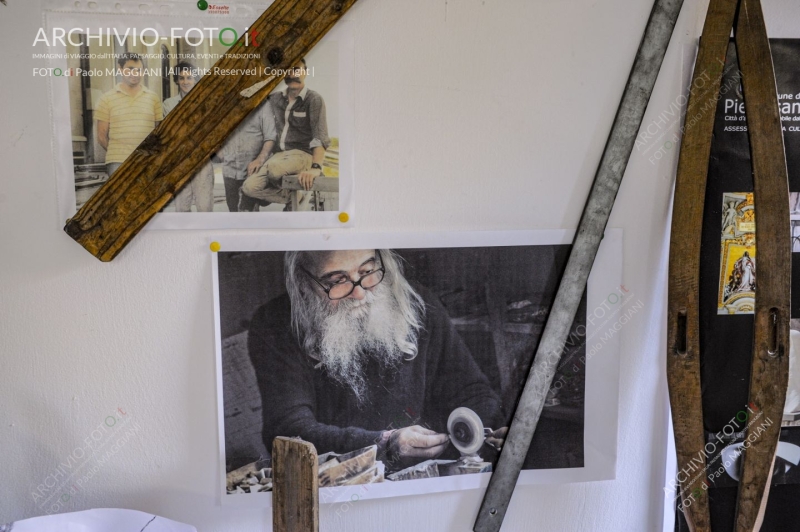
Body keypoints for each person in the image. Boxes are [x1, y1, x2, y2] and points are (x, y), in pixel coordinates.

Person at [247, 249, 507, 470]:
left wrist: (484, 426)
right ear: (303, 282)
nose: (359, 294)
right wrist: (383, 444)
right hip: (340, 484)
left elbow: (472, 392)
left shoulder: (417, 303)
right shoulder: (274, 325)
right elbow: (288, 433)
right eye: (337, 281)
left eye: (367, 271)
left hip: (424, 474)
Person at [241, 59, 330, 210]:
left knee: (275, 170)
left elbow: (320, 137)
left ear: (305, 72)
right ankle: (294, 196)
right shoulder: (274, 99)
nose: (292, 74)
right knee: (248, 187)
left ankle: (283, 190)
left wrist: (315, 168)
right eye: (287, 70)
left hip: (302, 155)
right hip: (279, 156)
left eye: (296, 69)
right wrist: (259, 159)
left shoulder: (313, 99)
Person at [95, 53, 162, 177]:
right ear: (120, 69)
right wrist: (118, 152)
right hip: (117, 162)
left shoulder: (153, 98)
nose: (135, 74)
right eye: (130, 69)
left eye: (138, 70)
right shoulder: (106, 98)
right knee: (119, 196)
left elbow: (158, 132)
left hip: (147, 160)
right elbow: (101, 136)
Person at [162, 62, 214, 212]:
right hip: (179, 161)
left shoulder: (206, 102)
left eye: (189, 77)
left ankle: (206, 236)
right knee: (182, 207)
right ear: (177, 80)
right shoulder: (169, 104)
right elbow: (170, 133)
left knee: (205, 206)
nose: (185, 82)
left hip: (202, 160)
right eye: (182, 78)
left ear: (195, 78)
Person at [213, 98, 277, 212]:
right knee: (233, 212)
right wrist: (219, 152)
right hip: (229, 170)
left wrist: (259, 160)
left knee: (249, 213)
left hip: (252, 171)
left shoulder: (262, 105)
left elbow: (270, 137)